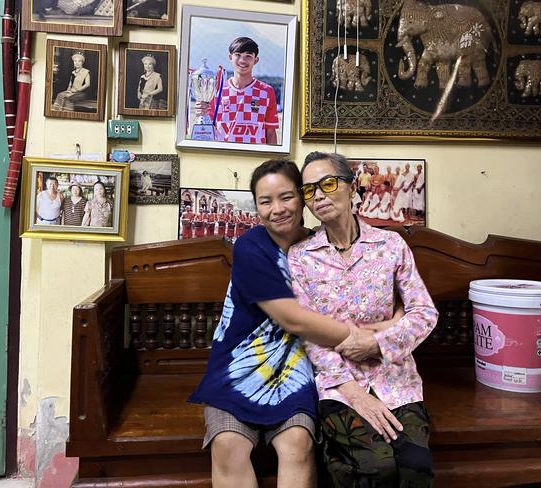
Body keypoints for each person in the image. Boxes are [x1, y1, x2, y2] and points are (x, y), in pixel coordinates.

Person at [188, 159, 398, 488]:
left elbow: (381, 288)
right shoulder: (251, 246)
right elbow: (291, 319)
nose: (277, 209)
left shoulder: (321, 245)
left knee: (298, 444)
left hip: (300, 361)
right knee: (228, 444)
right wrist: (362, 336)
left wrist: (396, 322)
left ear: (302, 198)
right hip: (241, 363)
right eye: (265, 201)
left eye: (286, 197)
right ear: (256, 206)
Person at [289, 151, 439, 487]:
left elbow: (424, 312)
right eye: (309, 190)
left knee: (415, 466)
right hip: (338, 384)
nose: (319, 196)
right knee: (375, 466)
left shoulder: (390, 245)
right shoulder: (300, 257)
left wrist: (376, 341)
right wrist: (353, 392)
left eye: (328, 183)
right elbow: (308, 331)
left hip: (396, 379)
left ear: (352, 187)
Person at [201, 37, 279, 145]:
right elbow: (207, 126)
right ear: (230, 57)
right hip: (223, 155)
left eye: (248, 56)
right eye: (238, 55)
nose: (242, 60)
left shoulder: (266, 91)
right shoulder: (217, 90)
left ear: (255, 60)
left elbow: (270, 132)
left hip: (255, 155)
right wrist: (201, 112)